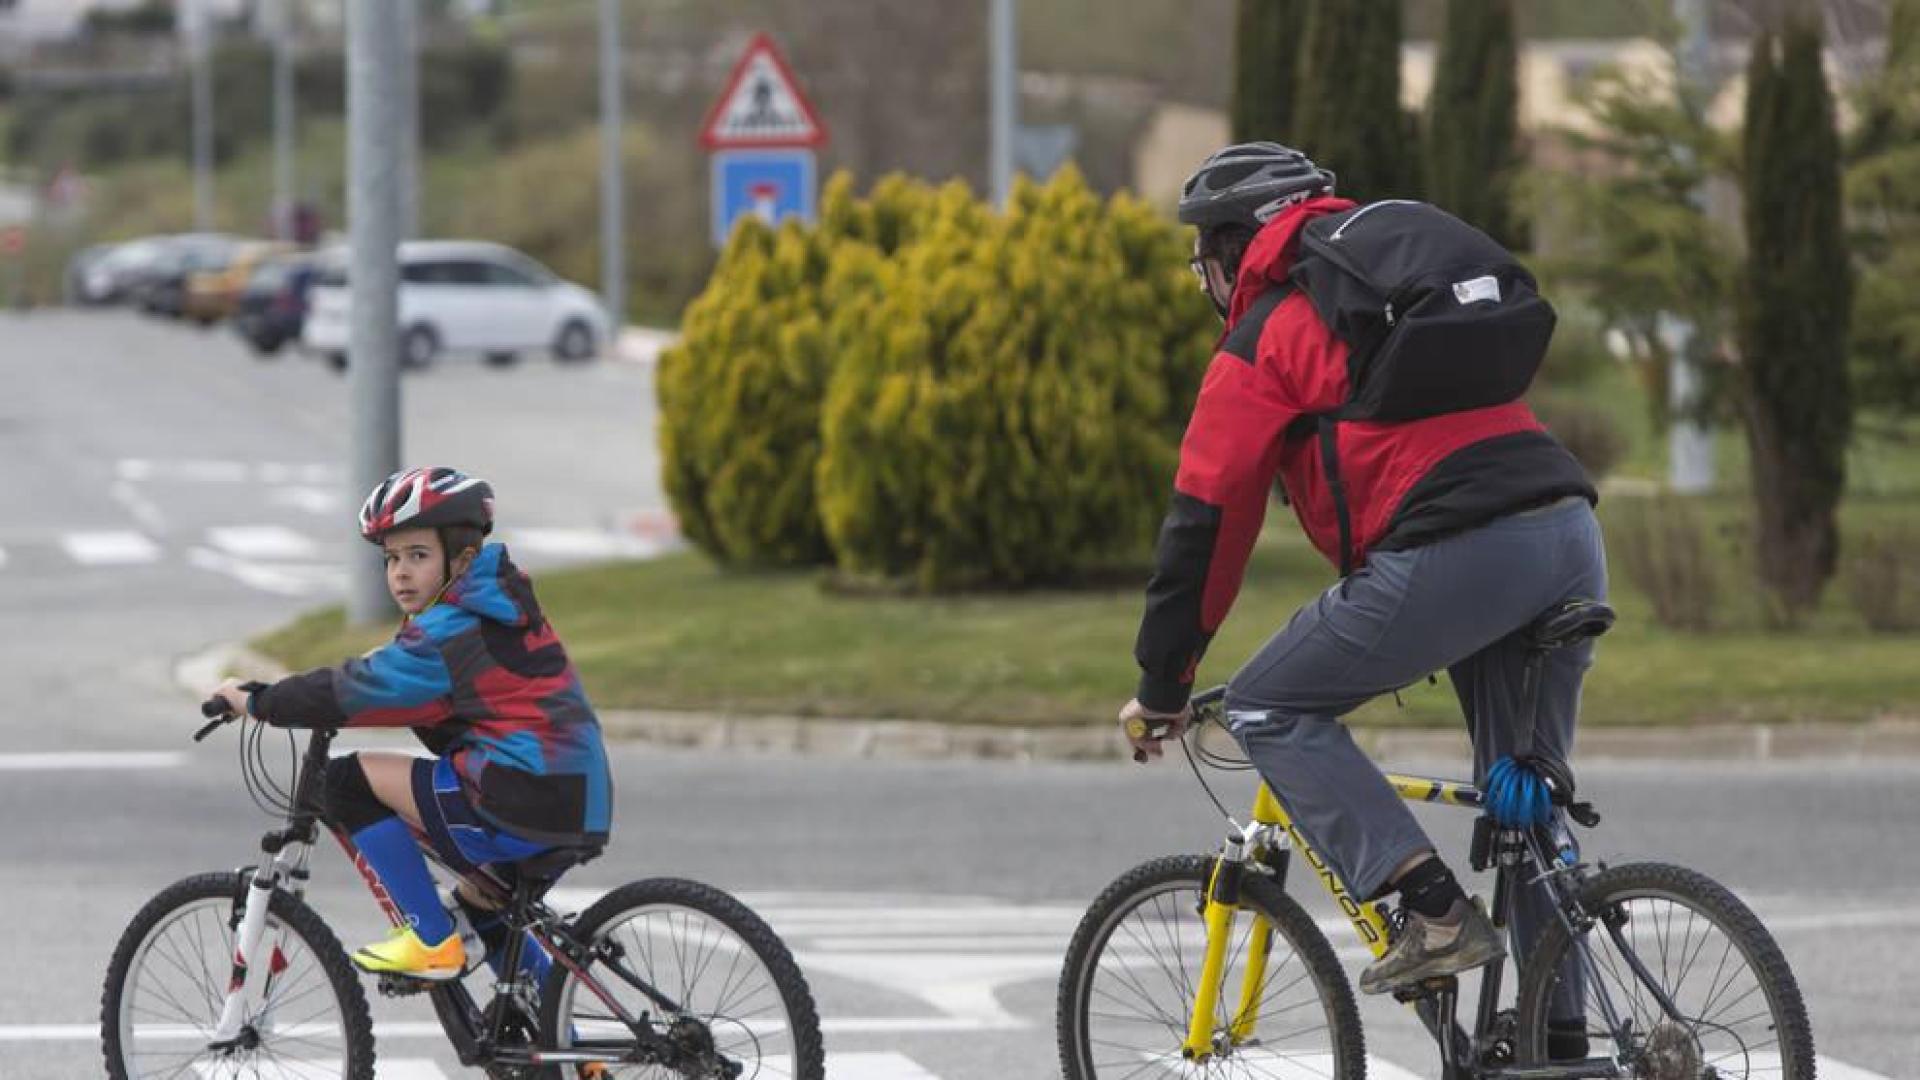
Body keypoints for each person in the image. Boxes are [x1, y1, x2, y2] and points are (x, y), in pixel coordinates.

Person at [1120, 143, 1603, 1056]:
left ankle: (1429, 909)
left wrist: (1163, 681)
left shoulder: (1269, 332)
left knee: (1267, 702)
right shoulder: (1388, 299)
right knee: (1524, 806)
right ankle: (1561, 1041)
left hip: (1464, 551)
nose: (1208, 285)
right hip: (1570, 532)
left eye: (1203, 264)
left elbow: (1206, 524)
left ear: (1231, 257)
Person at [213, 466, 613, 983]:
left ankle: (429, 939)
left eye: (418, 556)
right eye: (392, 558)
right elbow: (387, 674)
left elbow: (363, 688)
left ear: (462, 559)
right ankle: (569, 1054)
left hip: (517, 797)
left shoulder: (452, 630)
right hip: (577, 802)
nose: (400, 572)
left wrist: (261, 702)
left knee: (343, 782)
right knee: (485, 910)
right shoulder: (495, 612)